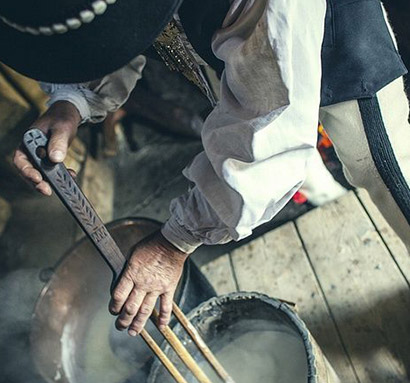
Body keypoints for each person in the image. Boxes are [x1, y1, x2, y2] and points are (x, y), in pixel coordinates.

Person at [1, 0, 409, 337]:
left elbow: (268, 128)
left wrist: (174, 242)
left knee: (387, 170)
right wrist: (70, 103)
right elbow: (114, 27)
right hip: (243, 49)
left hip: (335, 38)